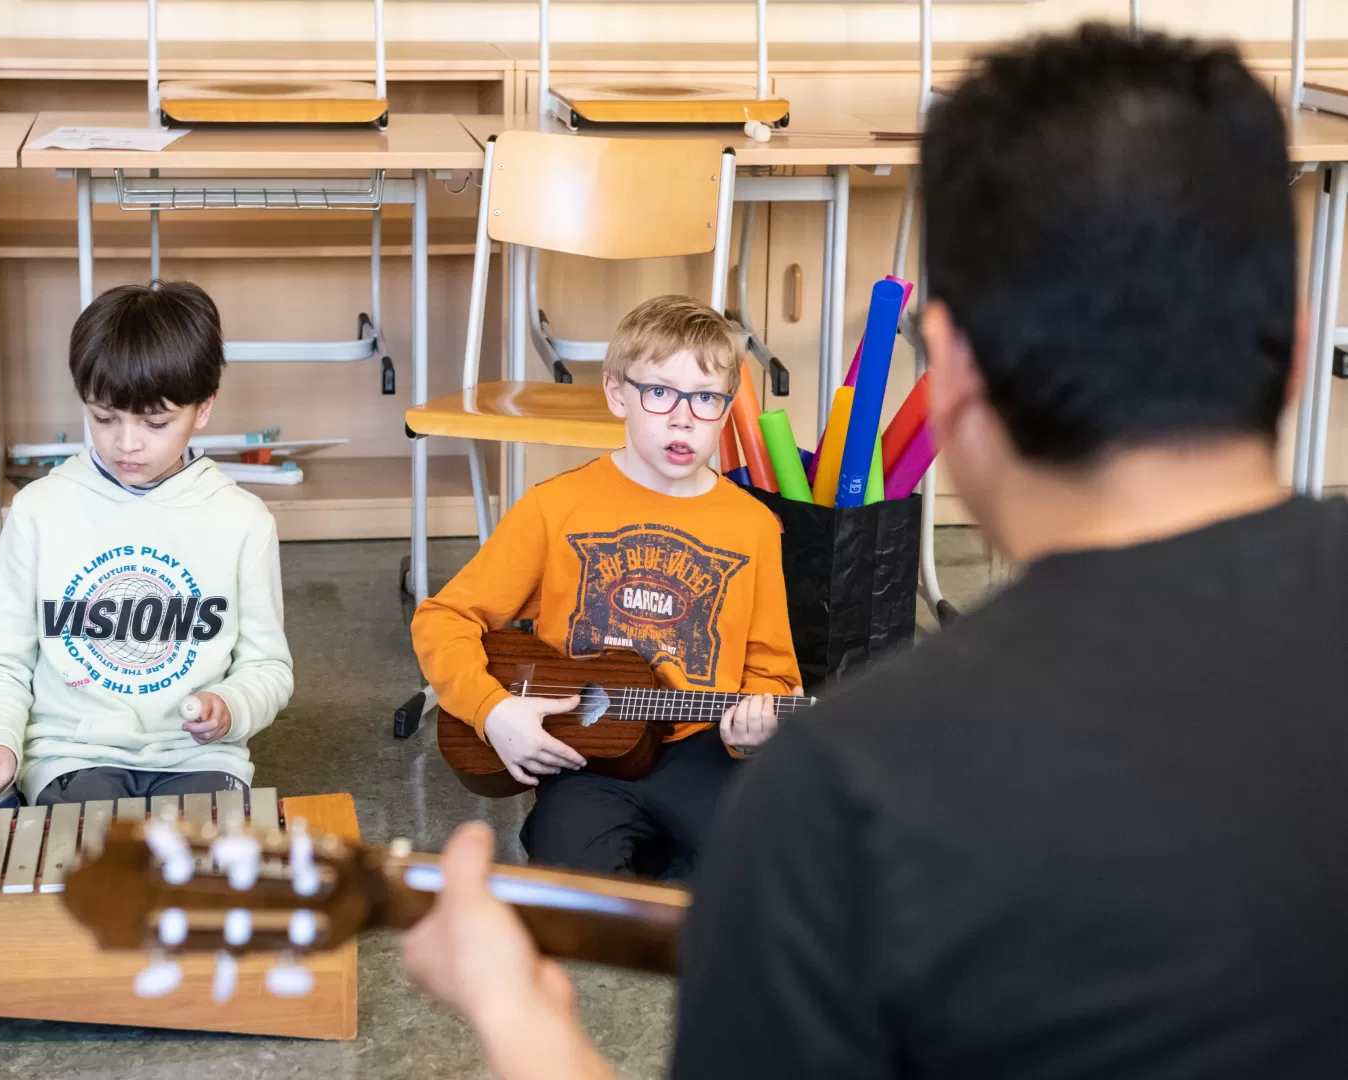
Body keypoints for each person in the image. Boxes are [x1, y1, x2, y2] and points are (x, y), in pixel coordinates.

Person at [402, 24, 1348, 1079]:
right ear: (1299, 350)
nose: (682, 415)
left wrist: (509, 1006)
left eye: (704, 398)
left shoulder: (849, 796)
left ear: (946, 377)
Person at [412, 295, 801, 876]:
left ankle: (663, 853)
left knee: (768, 877)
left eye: (706, 399)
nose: (683, 418)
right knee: (579, 896)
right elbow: (443, 619)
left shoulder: (753, 526)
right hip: (586, 752)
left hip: (700, 750)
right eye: (660, 392)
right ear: (618, 393)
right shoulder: (555, 507)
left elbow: (773, 673)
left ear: (727, 409)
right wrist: (493, 711)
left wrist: (753, 731)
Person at [0, 281, 293, 807]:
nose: (127, 442)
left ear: (203, 408)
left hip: (199, 759)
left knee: (205, 873)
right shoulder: (39, 510)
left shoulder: (242, 520)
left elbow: (268, 668)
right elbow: (1, 663)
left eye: (156, 422)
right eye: (104, 417)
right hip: (72, 754)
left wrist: (231, 704)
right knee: (87, 867)